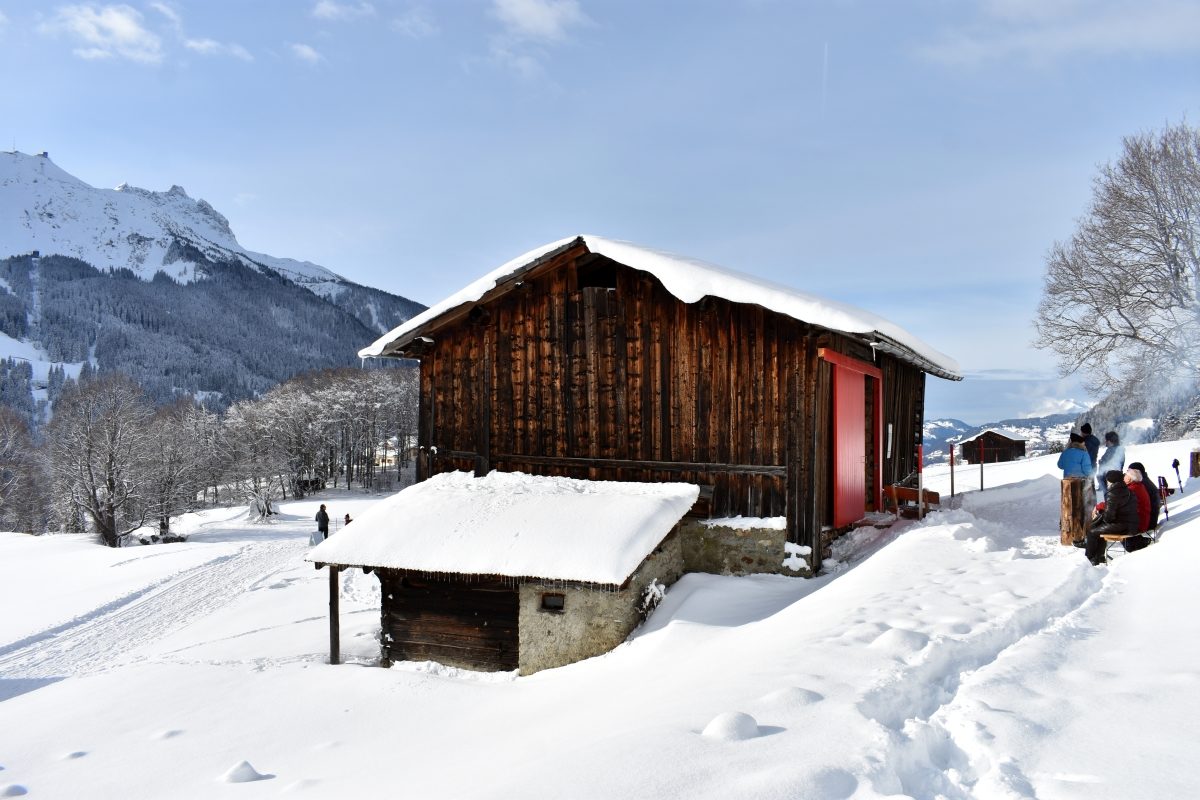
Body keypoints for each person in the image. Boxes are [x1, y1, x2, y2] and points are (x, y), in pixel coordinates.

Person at [1081, 470, 1139, 566]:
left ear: (1110, 481)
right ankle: (1099, 557)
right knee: (1098, 529)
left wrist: (1099, 515)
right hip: (1130, 524)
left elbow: (1109, 517)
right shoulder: (1127, 490)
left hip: (1123, 525)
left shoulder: (1114, 492)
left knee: (1092, 532)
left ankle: (1089, 559)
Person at [1127, 461, 1161, 529]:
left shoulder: (1140, 484)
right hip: (1151, 519)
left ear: (1135, 472)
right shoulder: (1144, 481)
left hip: (1147, 522)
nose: (1127, 473)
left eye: (1129, 471)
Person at [1096, 431, 1125, 501]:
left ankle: (1100, 506)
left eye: (1106, 440)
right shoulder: (1120, 450)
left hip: (1108, 478)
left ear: (1110, 441)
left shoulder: (1111, 450)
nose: (1105, 442)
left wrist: (1101, 462)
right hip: (1117, 477)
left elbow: (1105, 463)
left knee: (1100, 488)